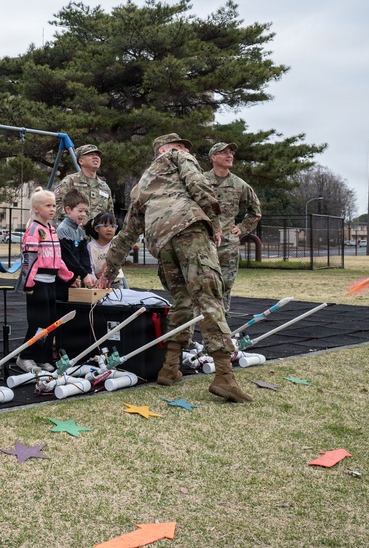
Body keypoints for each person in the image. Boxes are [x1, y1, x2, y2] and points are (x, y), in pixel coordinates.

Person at [99, 133, 252, 403]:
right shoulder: (177, 157)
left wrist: (107, 274)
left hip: (160, 242)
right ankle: (224, 376)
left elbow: (127, 235)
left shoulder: (141, 186)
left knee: (183, 301)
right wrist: (215, 223)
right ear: (163, 150)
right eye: (179, 145)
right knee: (209, 297)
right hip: (188, 228)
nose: (185, 149)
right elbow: (198, 184)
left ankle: (169, 367)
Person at [16, 188, 75, 373]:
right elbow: (29, 259)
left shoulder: (51, 229)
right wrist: (29, 283)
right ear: (36, 208)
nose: (52, 209)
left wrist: (69, 276)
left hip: (51, 282)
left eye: (54, 205)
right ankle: (25, 356)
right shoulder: (34, 230)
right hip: (38, 283)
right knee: (38, 322)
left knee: (51, 322)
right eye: (48, 205)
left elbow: (58, 258)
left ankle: (43, 357)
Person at [205, 142, 261, 314]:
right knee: (202, 283)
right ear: (213, 157)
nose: (229, 156)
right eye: (224, 152)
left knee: (225, 285)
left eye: (231, 153)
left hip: (227, 244)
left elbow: (255, 211)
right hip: (203, 241)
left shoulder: (240, 185)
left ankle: (222, 320)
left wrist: (242, 228)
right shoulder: (201, 181)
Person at [54, 144, 113, 222]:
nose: (96, 157)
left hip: (97, 229)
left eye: (97, 155)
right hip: (75, 228)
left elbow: (110, 214)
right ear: (81, 161)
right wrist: (74, 222)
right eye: (90, 155)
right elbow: (57, 205)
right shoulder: (70, 181)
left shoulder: (104, 187)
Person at [56, 188, 98, 298]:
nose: (83, 214)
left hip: (74, 278)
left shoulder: (79, 231)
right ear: (68, 210)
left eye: (85, 211)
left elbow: (84, 255)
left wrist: (88, 273)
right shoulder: (62, 230)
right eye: (80, 211)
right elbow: (68, 258)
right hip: (62, 280)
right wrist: (84, 274)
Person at [86, 212, 125, 286]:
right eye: (105, 226)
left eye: (112, 226)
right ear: (96, 228)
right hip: (97, 282)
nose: (109, 229)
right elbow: (90, 266)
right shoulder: (91, 246)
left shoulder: (116, 243)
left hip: (115, 282)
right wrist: (95, 281)